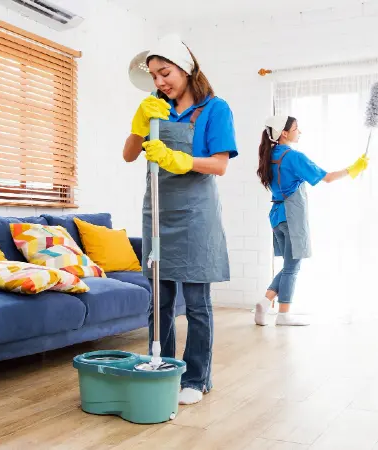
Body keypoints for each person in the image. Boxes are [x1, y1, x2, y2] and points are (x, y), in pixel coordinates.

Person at [122, 34, 237, 405]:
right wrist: (139, 123)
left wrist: (181, 160)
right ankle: (162, 365)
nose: (159, 83)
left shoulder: (215, 110)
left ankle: (196, 378)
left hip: (196, 212)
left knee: (197, 302)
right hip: (157, 209)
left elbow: (219, 164)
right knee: (161, 300)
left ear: (185, 68)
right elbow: (128, 155)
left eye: (164, 73)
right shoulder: (155, 106)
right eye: (154, 76)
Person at [253, 116, 369, 326]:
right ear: (284, 133)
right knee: (292, 267)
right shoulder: (293, 157)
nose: (300, 132)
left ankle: (265, 300)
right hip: (292, 218)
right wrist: (353, 169)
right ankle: (283, 314)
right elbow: (328, 177)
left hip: (277, 217)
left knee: (289, 264)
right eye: (297, 128)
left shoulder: (269, 156)